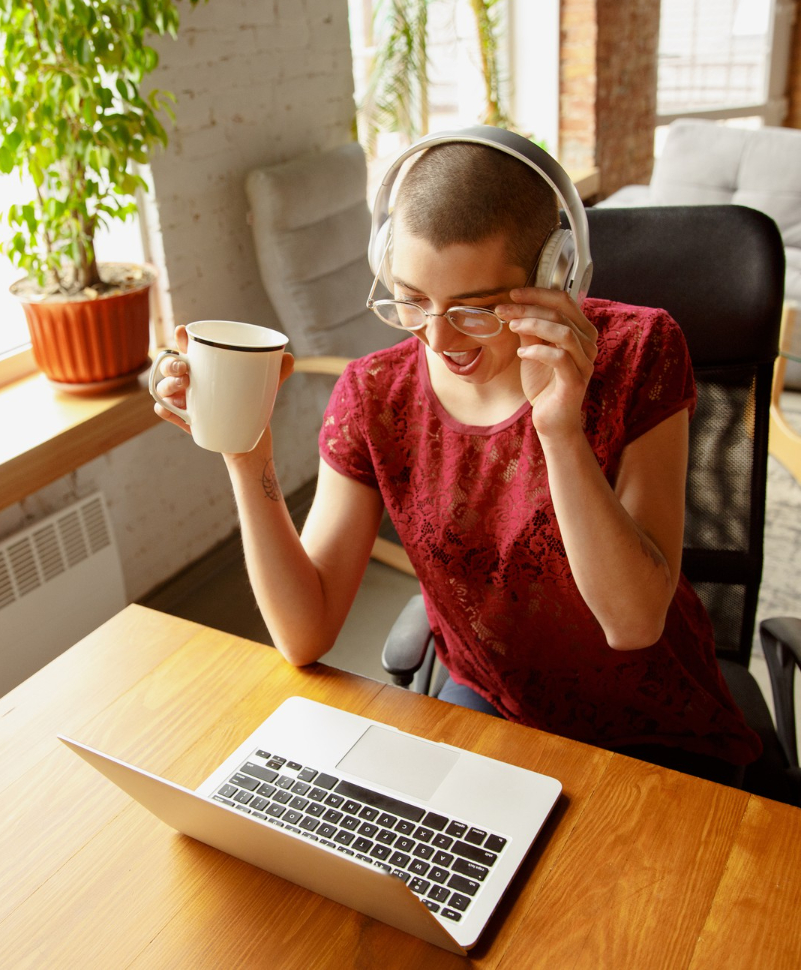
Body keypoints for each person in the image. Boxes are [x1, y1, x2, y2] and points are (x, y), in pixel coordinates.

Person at [154, 139, 761, 785]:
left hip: (655, 723)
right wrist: (246, 456)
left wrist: (559, 429)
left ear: (553, 277)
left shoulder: (638, 351)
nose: (439, 338)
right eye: (412, 298)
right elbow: (305, 634)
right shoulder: (375, 395)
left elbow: (634, 622)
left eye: (476, 309)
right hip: (495, 702)